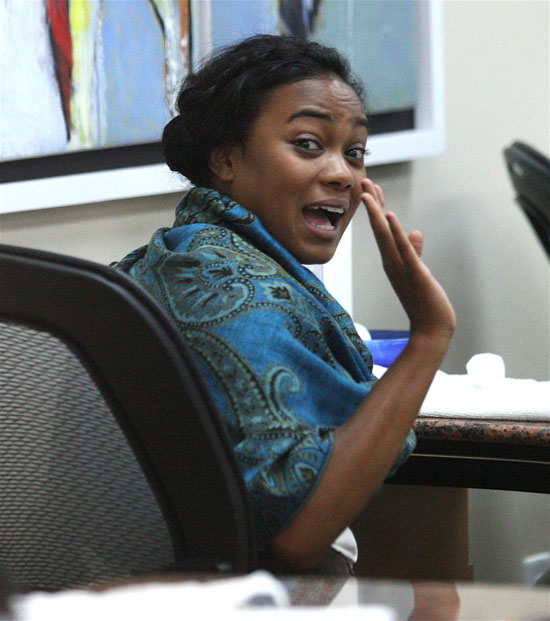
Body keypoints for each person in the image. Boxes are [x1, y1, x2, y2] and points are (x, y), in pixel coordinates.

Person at [115, 35, 456, 575]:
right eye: (307, 143)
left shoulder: (184, 255)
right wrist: (429, 335)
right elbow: (297, 535)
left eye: (355, 152)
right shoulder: (235, 291)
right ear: (226, 159)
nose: (344, 173)